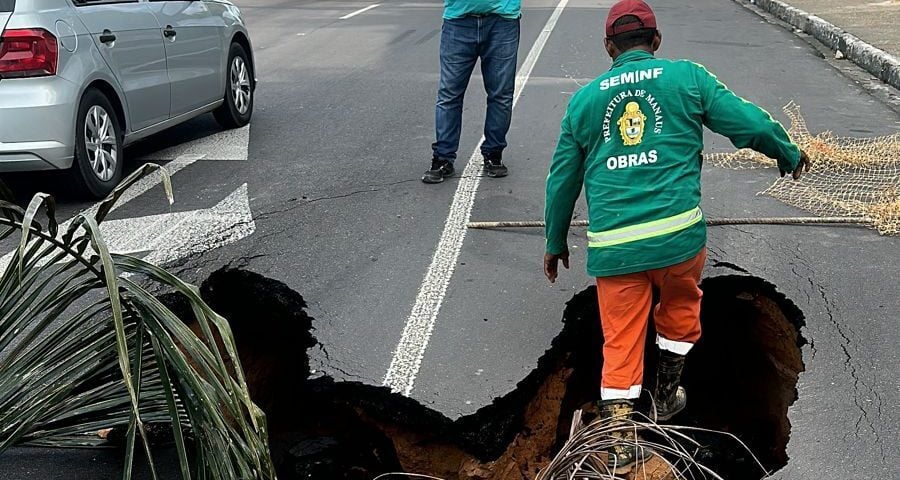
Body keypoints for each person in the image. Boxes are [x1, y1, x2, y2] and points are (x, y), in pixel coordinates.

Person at [542, 0, 809, 473]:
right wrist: (785, 151)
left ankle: (620, 441)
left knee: (620, 340)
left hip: (615, 247)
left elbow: (562, 178)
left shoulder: (584, 101)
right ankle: (666, 395)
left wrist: (555, 241)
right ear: (656, 42)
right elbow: (745, 121)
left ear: (609, 47)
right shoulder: (686, 77)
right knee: (680, 314)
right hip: (678, 240)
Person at [422, 0, 521, 184]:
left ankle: (494, 153)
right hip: (458, 20)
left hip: (502, 20)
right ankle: (443, 157)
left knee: (501, 95)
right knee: (449, 94)